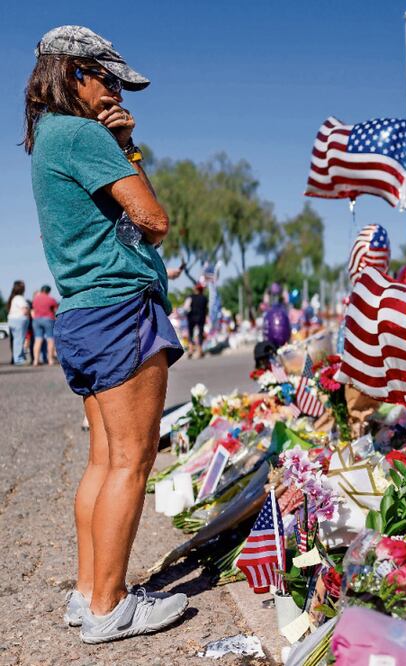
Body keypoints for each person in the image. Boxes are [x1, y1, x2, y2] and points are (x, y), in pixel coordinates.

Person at [25, 26, 187, 642]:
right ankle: (109, 607)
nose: (117, 92)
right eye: (109, 80)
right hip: (120, 309)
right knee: (132, 461)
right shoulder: (85, 134)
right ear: (76, 76)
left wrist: (116, 141)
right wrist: (126, 148)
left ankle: (89, 592)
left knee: (103, 461)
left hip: (82, 314)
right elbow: (153, 218)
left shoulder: (50, 139)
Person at [31, 284, 59, 365]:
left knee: (38, 340)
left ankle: (35, 360)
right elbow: (55, 310)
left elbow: (33, 309)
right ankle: (50, 360)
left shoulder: (35, 299)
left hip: (36, 320)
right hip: (48, 319)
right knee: (50, 339)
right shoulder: (51, 299)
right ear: (49, 291)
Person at [6, 280, 31, 365]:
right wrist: (29, 311)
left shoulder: (13, 298)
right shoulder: (19, 298)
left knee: (16, 340)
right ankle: (19, 359)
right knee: (19, 340)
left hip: (12, 320)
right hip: (19, 320)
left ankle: (17, 358)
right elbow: (24, 310)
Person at [185, 283, 208, 359]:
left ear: (195, 289)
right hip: (201, 317)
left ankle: (191, 349)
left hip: (191, 317)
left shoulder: (190, 297)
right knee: (200, 333)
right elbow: (206, 309)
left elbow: (186, 307)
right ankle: (200, 350)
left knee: (190, 333)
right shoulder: (204, 298)